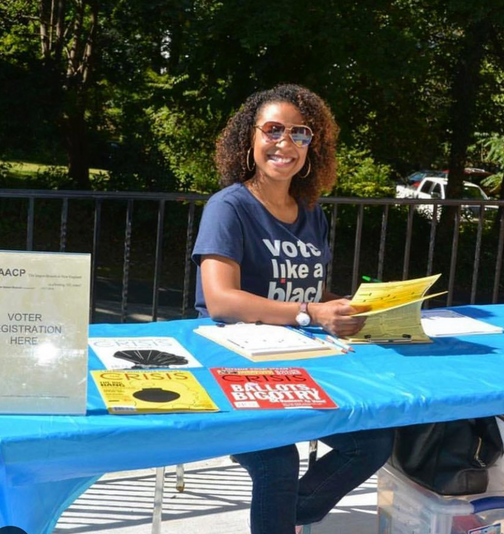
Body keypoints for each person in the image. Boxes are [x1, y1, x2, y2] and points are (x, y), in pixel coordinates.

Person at [192, 84, 394, 534]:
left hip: (303, 366)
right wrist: (312, 313)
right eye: (273, 130)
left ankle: (282, 518)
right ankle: (279, 518)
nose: (285, 143)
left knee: (373, 441)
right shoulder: (228, 207)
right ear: (250, 139)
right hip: (235, 367)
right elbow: (222, 299)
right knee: (277, 462)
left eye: (299, 133)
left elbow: (305, 292)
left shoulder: (310, 213)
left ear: (311, 146)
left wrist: (343, 309)